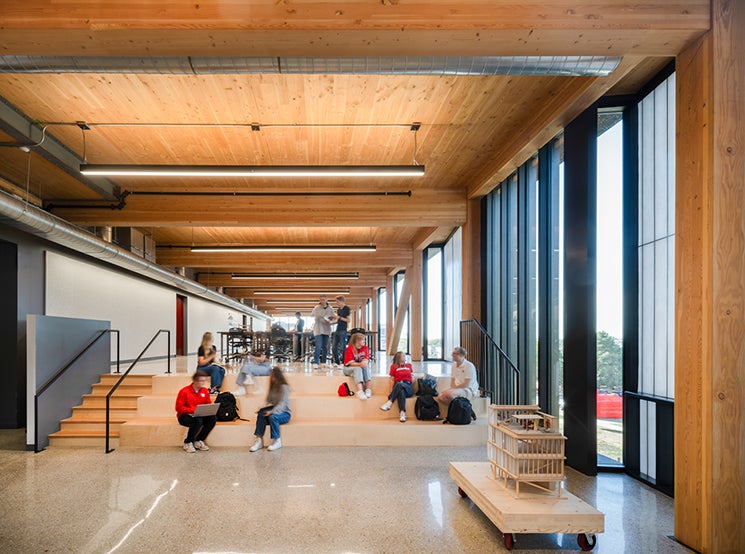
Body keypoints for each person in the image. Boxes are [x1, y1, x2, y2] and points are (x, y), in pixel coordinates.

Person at [249, 366, 292, 452]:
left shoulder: (285, 387)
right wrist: (263, 408)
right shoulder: (273, 387)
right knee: (261, 413)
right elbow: (269, 401)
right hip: (275, 409)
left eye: (272, 376)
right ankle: (259, 439)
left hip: (284, 413)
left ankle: (277, 440)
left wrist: (271, 412)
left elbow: (282, 404)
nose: (271, 378)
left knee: (273, 417)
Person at [175, 370, 217, 453]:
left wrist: (208, 410)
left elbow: (207, 404)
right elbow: (179, 408)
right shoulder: (184, 391)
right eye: (201, 381)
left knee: (213, 418)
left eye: (204, 381)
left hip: (199, 414)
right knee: (198, 421)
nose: (202, 383)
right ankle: (188, 442)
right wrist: (193, 411)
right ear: (194, 381)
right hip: (184, 416)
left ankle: (199, 440)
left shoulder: (205, 391)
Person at [380, 351, 414, 422]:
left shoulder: (409, 365)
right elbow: (392, 379)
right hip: (399, 387)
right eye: (403, 356)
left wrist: (412, 378)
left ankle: (390, 402)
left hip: (408, 387)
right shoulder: (394, 367)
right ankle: (402, 413)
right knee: (401, 392)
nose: (405, 357)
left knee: (399, 384)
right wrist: (390, 391)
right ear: (399, 357)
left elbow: (412, 376)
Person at [343, 332, 372, 400]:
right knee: (358, 368)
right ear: (357, 341)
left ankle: (368, 389)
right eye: (363, 340)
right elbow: (350, 363)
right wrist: (360, 364)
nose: (364, 341)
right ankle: (359, 391)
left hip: (359, 366)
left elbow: (366, 359)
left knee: (365, 367)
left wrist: (364, 362)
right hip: (348, 368)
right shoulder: (349, 349)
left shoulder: (365, 348)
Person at [310, 294, 335, 369]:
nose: (322, 301)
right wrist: (316, 316)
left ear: (326, 300)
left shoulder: (330, 308)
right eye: (321, 300)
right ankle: (316, 362)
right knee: (318, 346)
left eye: (323, 300)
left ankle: (324, 362)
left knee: (325, 347)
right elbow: (311, 315)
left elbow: (333, 318)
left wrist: (330, 320)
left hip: (326, 329)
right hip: (318, 329)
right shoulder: (316, 308)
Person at [331, 295, 351, 367]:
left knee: (343, 347)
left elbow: (348, 320)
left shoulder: (346, 309)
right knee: (334, 347)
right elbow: (338, 320)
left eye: (338, 301)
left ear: (342, 301)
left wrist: (339, 317)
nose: (337, 303)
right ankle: (337, 362)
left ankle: (343, 362)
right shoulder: (338, 310)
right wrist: (331, 323)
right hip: (337, 329)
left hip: (343, 330)